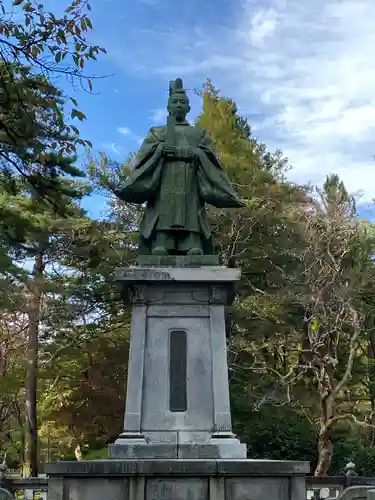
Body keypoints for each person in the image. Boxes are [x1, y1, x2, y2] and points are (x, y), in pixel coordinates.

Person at [113, 78, 244, 256]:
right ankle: (162, 243)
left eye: (183, 102)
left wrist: (196, 154)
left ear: (189, 108)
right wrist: (160, 149)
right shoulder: (157, 132)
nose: (178, 105)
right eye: (174, 102)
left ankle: (191, 243)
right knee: (163, 209)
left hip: (190, 179)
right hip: (164, 179)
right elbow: (144, 156)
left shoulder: (198, 134)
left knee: (191, 210)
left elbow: (210, 157)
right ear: (168, 107)